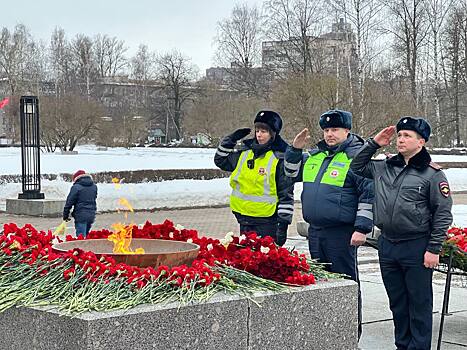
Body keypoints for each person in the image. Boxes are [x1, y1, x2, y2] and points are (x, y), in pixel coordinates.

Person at [350, 117, 453, 350]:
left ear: (421, 142)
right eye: (400, 135)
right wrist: (374, 143)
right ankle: (403, 345)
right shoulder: (385, 166)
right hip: (388, 245)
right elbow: (356, 166)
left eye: (407, 135)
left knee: (419, 304)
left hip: (416, 245)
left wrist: (433, 248)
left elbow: (443, 214)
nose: (401, 139)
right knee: (397, 303)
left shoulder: (432, 174)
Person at [284, 109, 374, 339]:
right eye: (326, 130)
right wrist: (294, 150)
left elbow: (368, 194)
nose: (330, 134)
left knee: (345, 284)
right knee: (320, 282)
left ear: (347, 131)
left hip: (342, 233)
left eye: (335, 130)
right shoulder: (315, 156)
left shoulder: (357, 157)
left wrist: (362, 228)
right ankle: (326, 332)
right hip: (316, 232)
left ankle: (349, 334)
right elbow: (289, 173)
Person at [214, 110, 294, 246]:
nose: (259, 134)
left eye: (264, 131)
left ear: (273, 134)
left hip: (267, 222)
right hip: (243, 218)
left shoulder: (279, 158)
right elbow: (220, 160)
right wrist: (230, 140)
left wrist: (283, 225)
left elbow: (286, 193)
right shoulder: (245, 153)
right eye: (257, 130)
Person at [63, 170, 98, 238]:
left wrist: (65, 215)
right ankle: (87, 248)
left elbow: (69, 202)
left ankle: (83, 248)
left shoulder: (76, 187)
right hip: (91, 214)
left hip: (80, 215)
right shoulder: (94, 186)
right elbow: (93, 198)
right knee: (86, 236)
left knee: (81, 238)